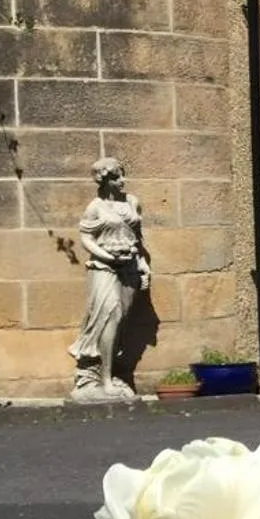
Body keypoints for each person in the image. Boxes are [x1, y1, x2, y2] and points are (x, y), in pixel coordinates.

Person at [69, 157, 150, 399]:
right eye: (116, 177)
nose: (122, 180)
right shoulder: (95, 206)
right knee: (109, 315)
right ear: (104, 180)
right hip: (104, 268)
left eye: (122, 175)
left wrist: (143, 264)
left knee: (122, 320)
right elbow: (85, 238)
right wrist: (106, 256)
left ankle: (110, 373)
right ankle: (102, 380)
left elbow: (137, 237)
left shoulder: (132, 202)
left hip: (130, 268)